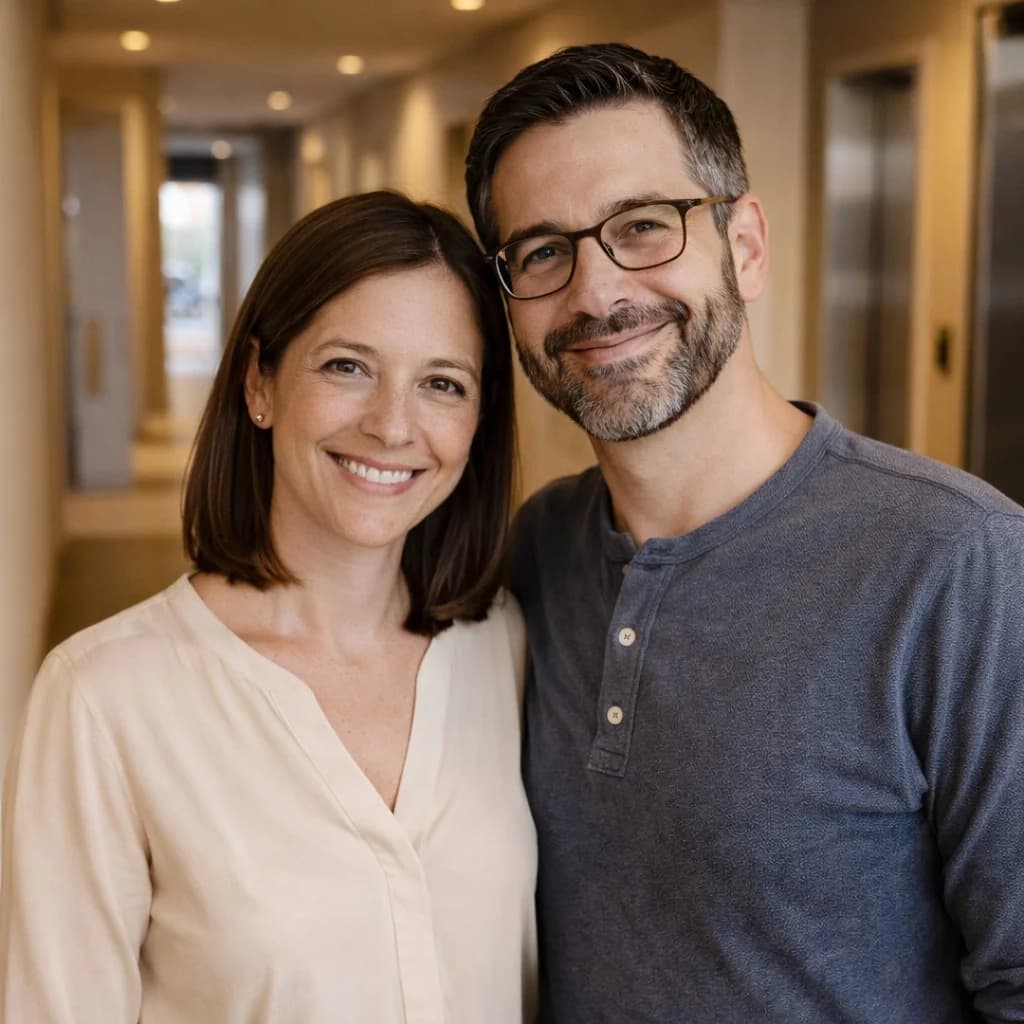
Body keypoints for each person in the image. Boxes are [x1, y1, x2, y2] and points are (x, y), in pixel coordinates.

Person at [465, 42, 1024, 1023]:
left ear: (747, 246)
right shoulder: (537, 549)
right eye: (544, 251)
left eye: (642, 225)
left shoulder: (959, 564)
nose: (595, 294)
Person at [0, 191, 538, 1023]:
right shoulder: (104, 698)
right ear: (260, 382)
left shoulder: (505, 648)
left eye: (442, 383)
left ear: (478, 421)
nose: (394, 425)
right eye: (347, 366)